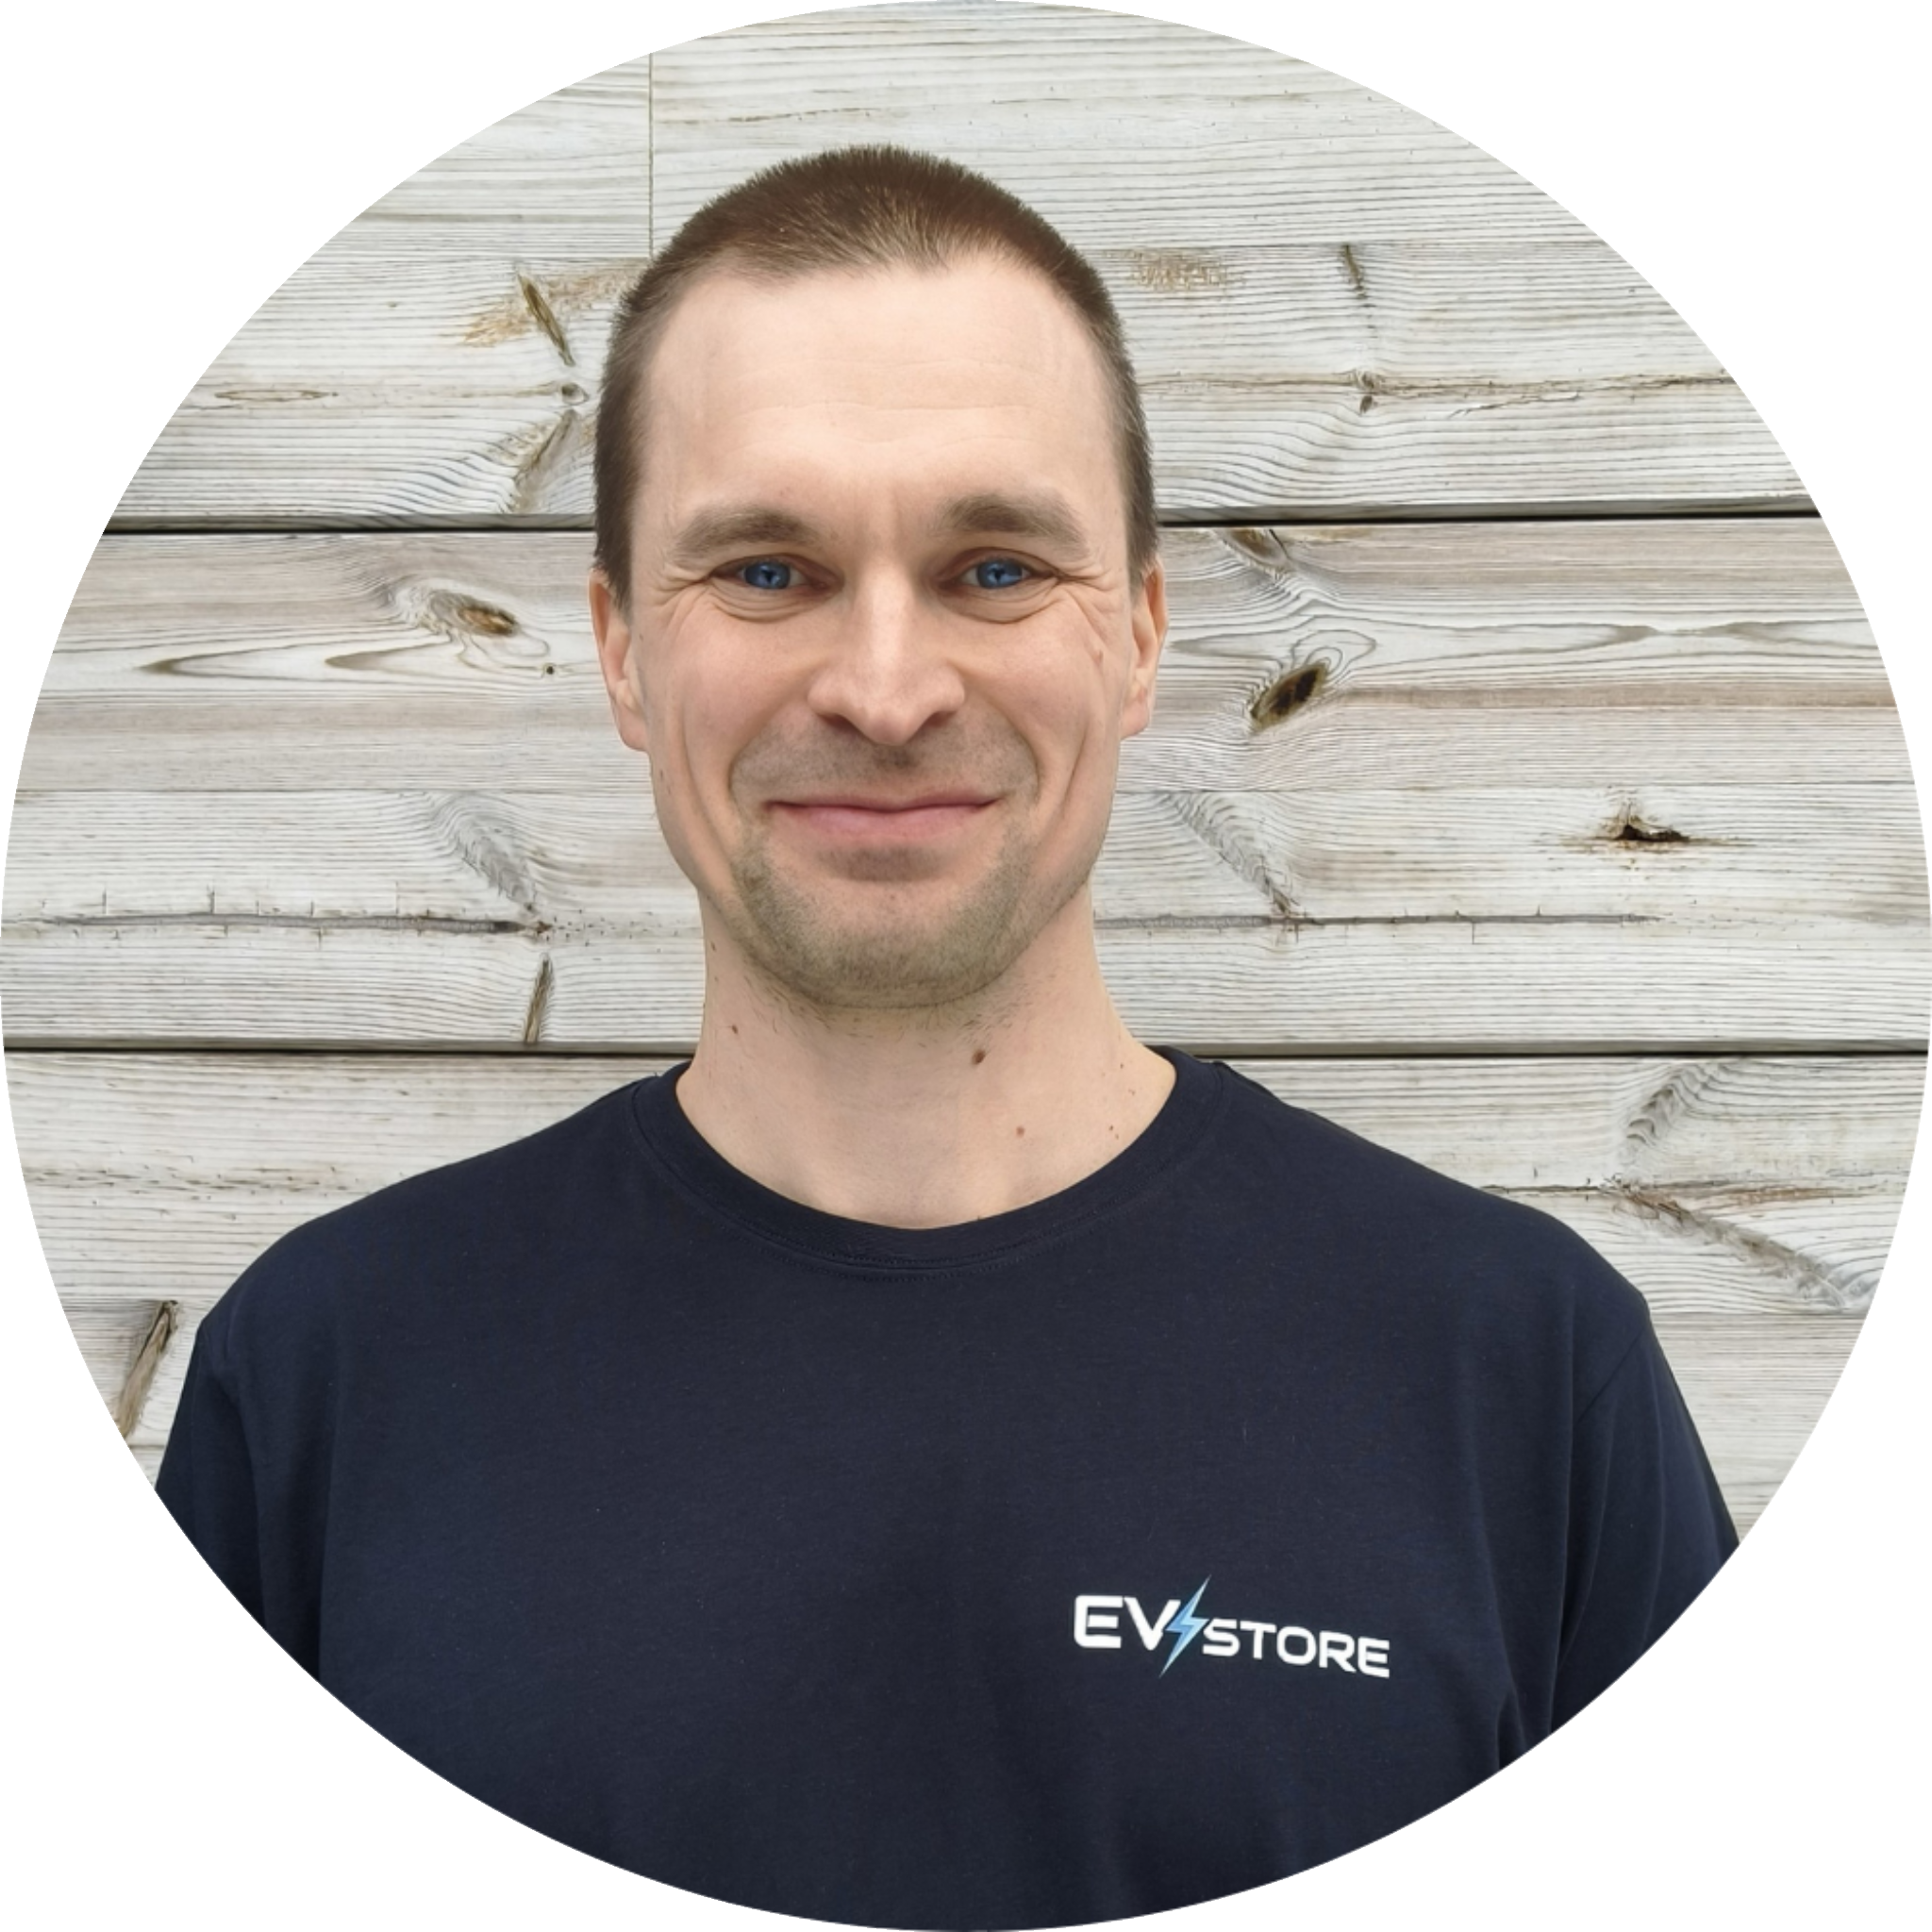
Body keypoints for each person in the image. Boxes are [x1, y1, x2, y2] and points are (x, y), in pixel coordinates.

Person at [158, 146, 1736, 1929]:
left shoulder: (1515, 1375)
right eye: (769, 571)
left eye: (994, 567)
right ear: (620, 655)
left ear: (1139, 637)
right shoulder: (332, 1378)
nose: (888, 690)